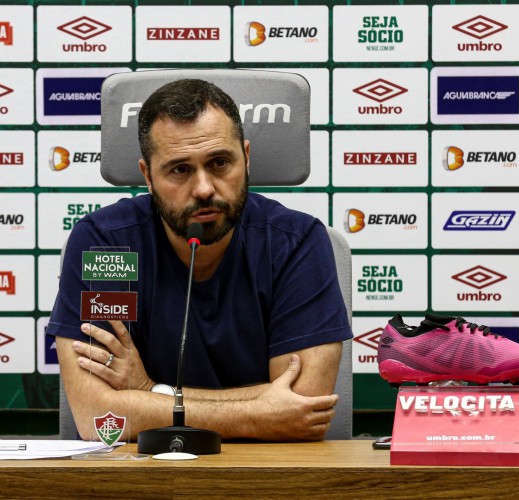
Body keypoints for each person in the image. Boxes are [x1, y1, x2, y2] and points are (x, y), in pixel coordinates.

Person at [47, 78, 353, 442]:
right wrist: (257, 412)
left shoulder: (297, 243)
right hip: (143, 478)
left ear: (247, 157)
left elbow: (302, 408)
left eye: (220, 162)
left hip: (267, 479)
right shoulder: (107, 246)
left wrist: (150, 392)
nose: (205, 188)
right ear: (148, 176)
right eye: (180, 169)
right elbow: (99, 417)